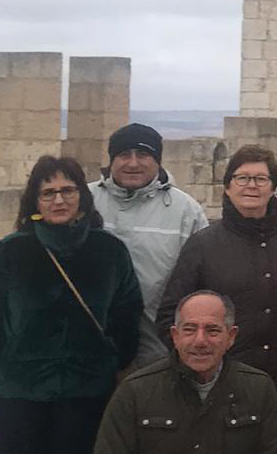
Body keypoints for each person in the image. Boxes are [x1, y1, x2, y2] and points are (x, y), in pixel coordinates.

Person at [156, 145, 277, 454]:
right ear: (227, 186)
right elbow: (170, 313)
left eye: (261, 178)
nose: (252, 185)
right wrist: (197, 366)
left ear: (273, 186)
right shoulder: (204, 245)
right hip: (222, 382)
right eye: (242, 178)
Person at [0, 154, 144, 454]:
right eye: (48, 192)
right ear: (35, 200)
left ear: (81, 196)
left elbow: (127, 310)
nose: (59, 200)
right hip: (17, 390)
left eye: (68, 190)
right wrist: (1, 357)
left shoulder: (109, 251)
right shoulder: (7, 252)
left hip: (86, 388)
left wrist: (114, 355)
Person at [93, 289, 277, 454]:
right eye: (189, 329)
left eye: (212, 330)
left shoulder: (258, 388)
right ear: (175, 336)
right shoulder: (135, 391)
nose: (200, 341)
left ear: (231, 337)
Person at [90, 122, 209, 368]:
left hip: (158, 348)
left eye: (143, 154)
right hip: (91, 346)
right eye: (124, 155)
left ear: (158, 160)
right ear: (112, 160)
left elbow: (203, 278)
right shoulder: (85, 200)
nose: (133, 163)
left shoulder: (186, 210)